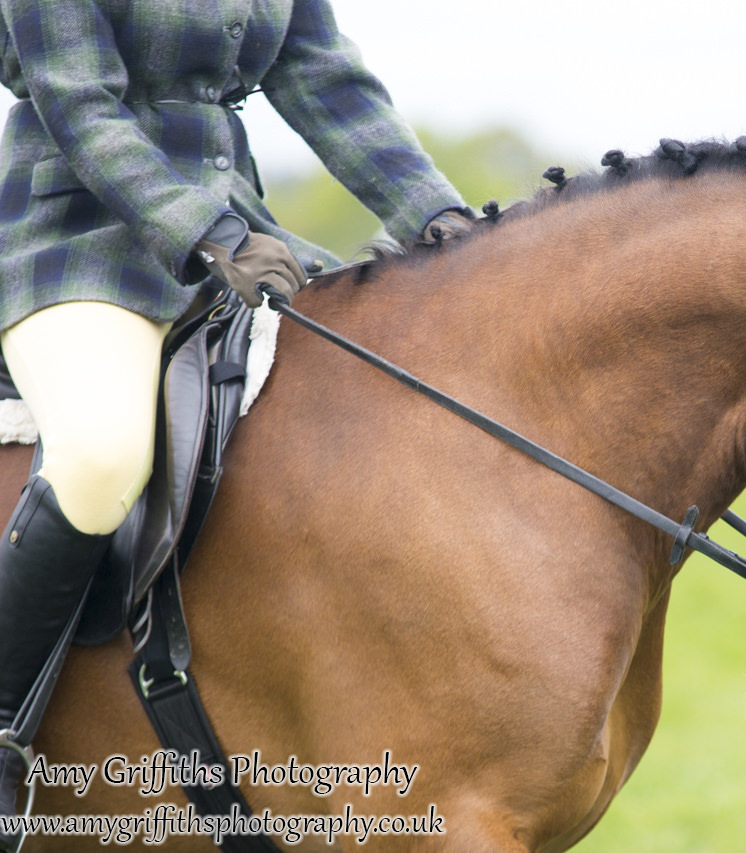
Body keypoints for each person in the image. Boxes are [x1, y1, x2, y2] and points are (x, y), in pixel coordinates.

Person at [0, 0, 472, 840]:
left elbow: (325, 79)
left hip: (241, 237)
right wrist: (204, 229)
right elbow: (76, 99)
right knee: (102, 455)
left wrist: (440, 220)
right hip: (78, 243)